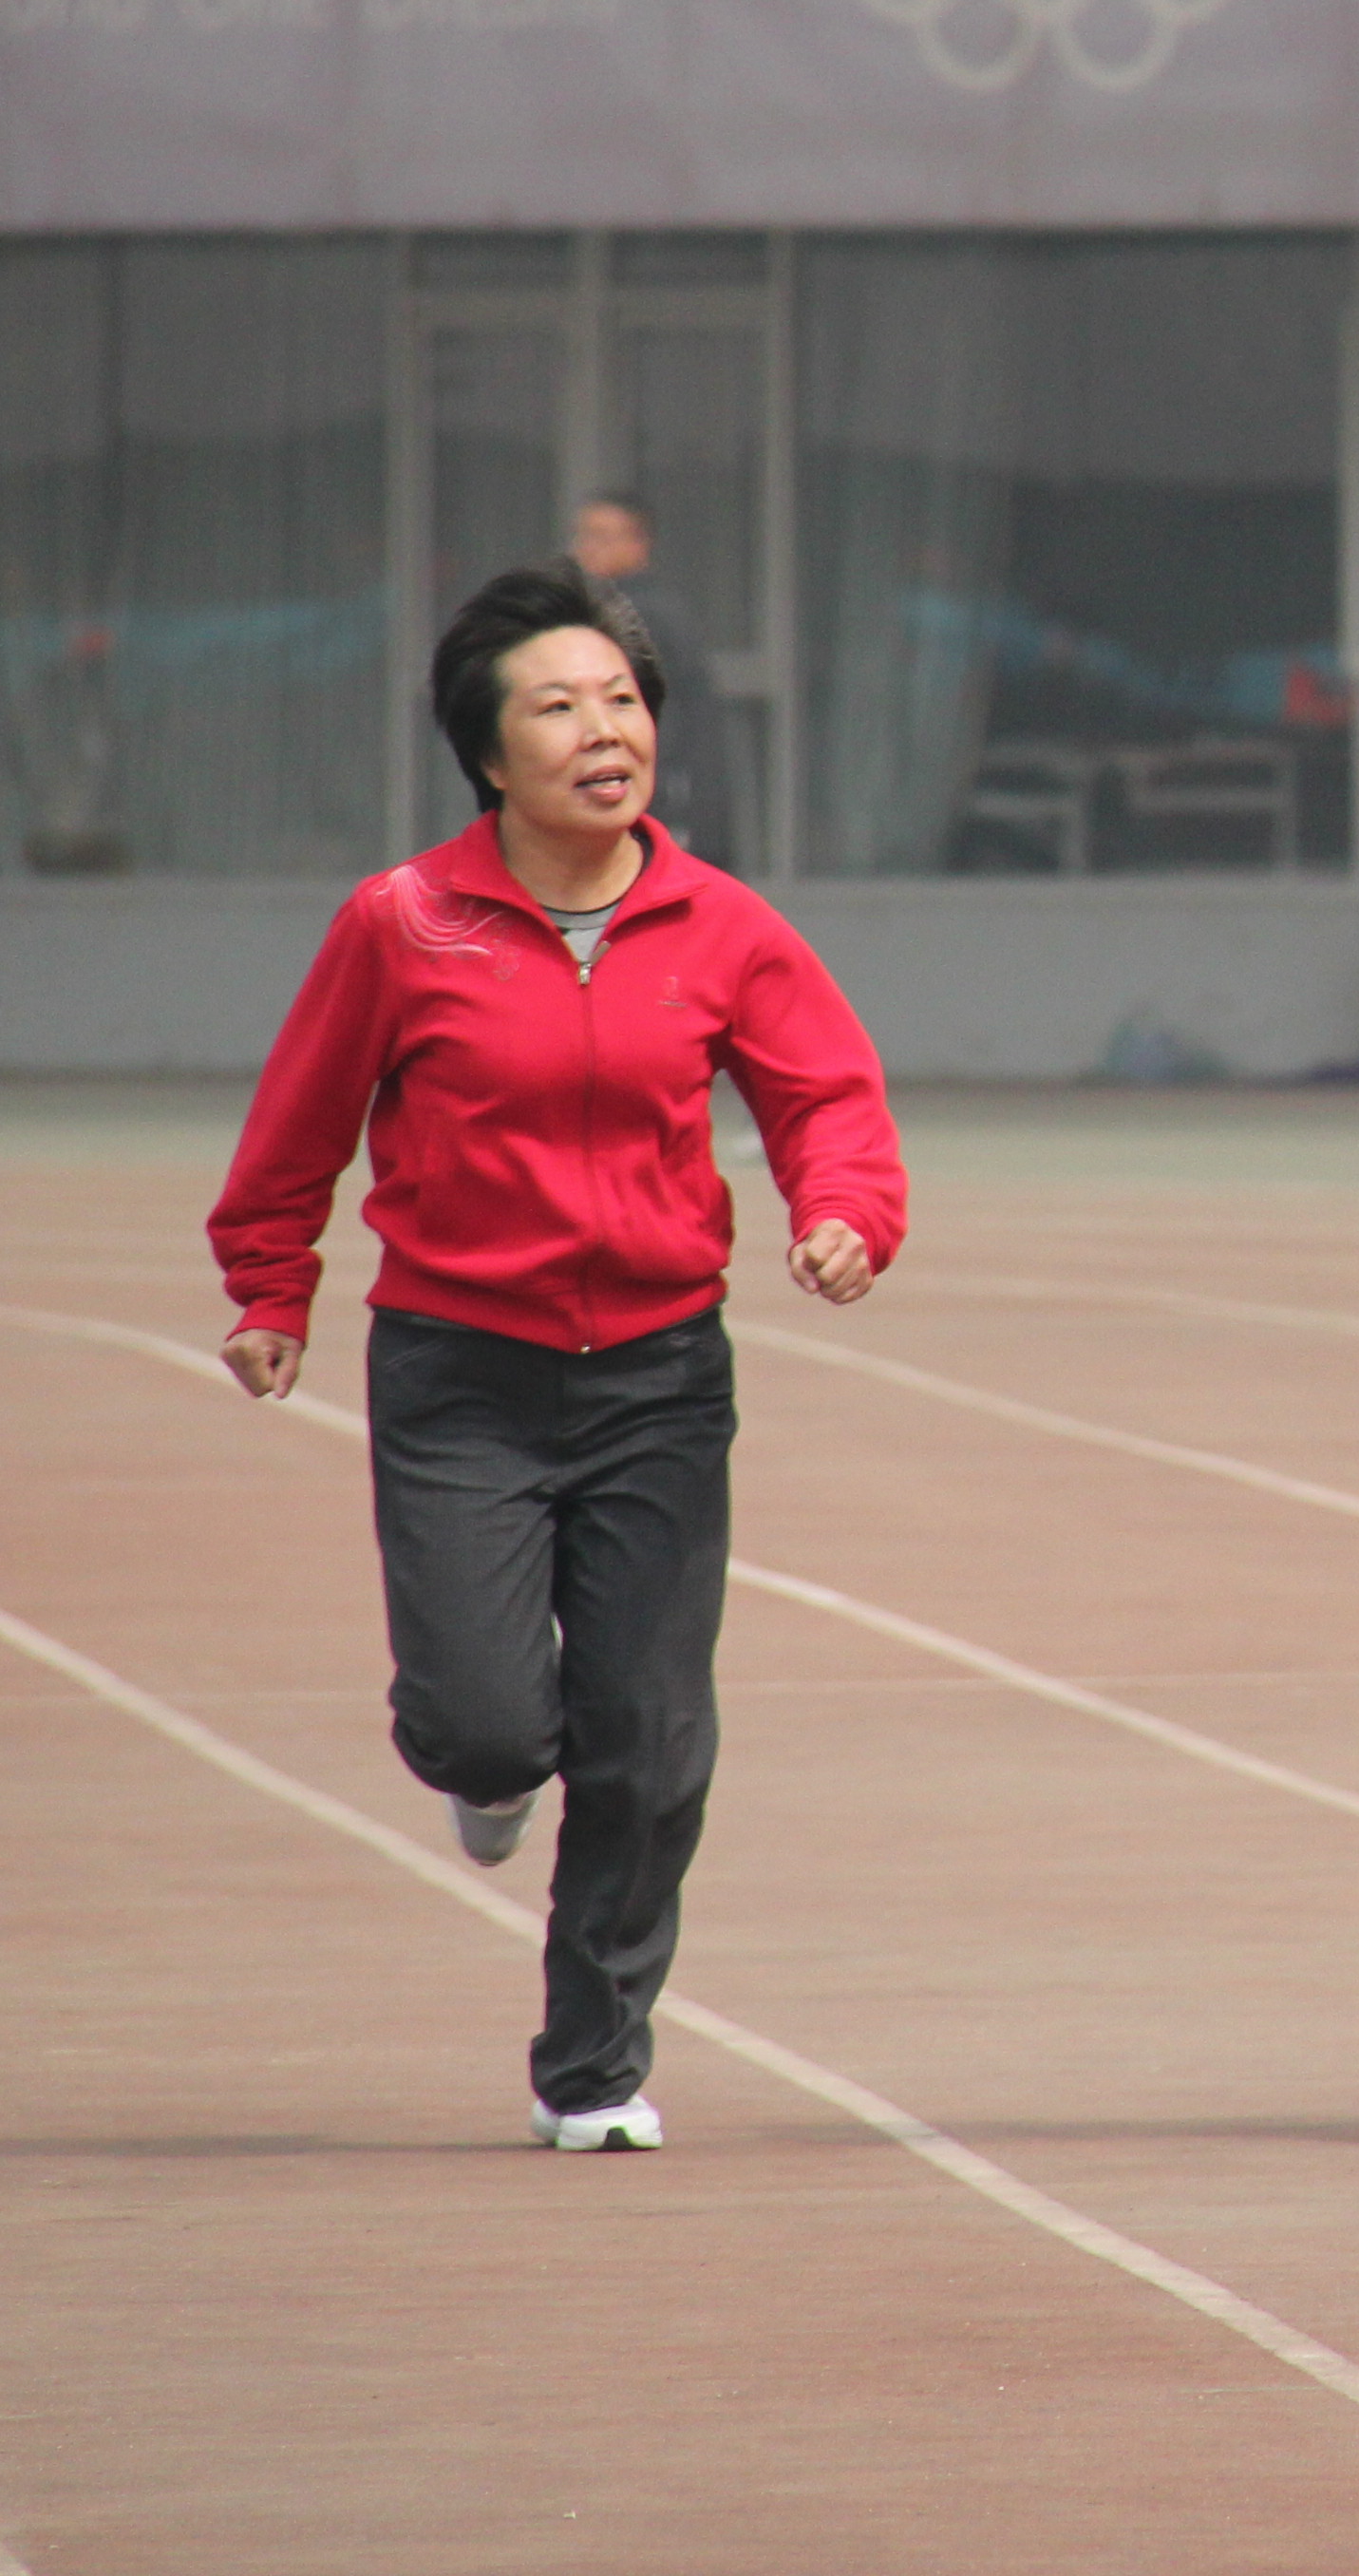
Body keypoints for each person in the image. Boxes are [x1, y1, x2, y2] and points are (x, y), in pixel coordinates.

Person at [208, 561, 905, 2150]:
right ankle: (488, 1765)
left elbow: (827, 1097)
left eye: (624, 700)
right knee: (487, 1724)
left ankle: (592, 2070)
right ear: (487, 754)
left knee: (650, 1744)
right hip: (461, 1372)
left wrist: (845, 1215)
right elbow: (302, 1122)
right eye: (559, 706)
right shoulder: (402, 923)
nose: (606, 730)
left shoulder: (722, 926)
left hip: (659, 1376)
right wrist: (269, 1289)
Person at [568, 490, 746, 873]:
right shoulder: (611, 609)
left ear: (638, 544)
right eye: (585, 536)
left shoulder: (638, 617)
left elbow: (671, 716)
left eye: (603, 537)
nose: (589, 548)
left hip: (655, 796)